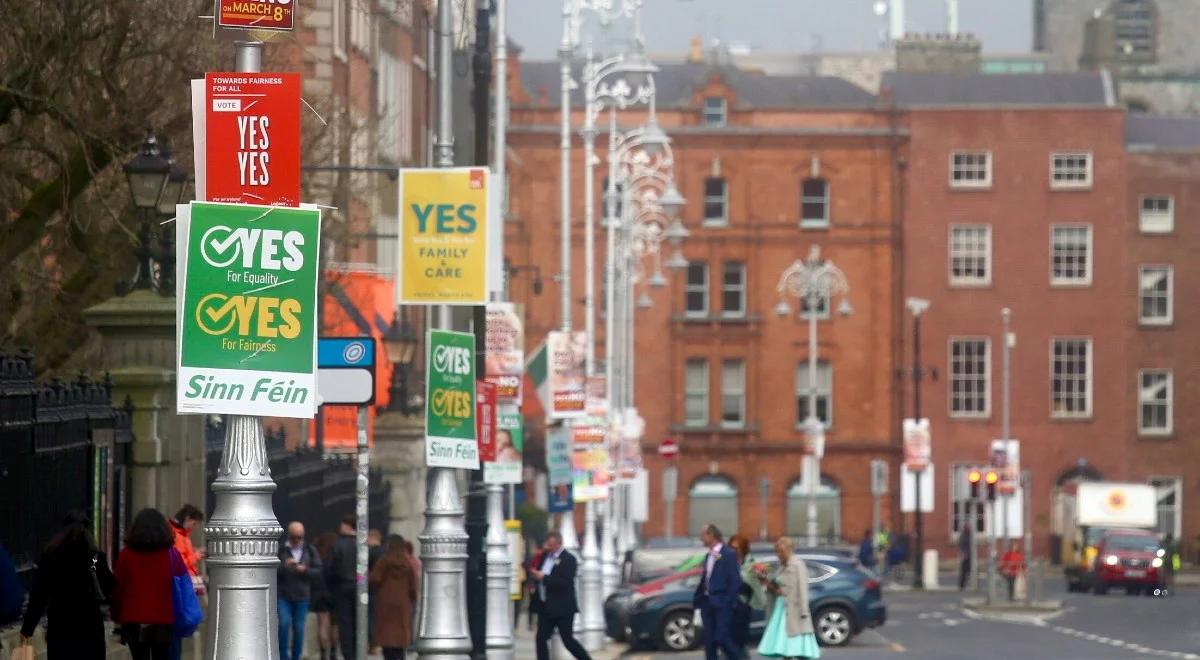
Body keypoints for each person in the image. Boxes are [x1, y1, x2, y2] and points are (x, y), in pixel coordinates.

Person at [19, 510, 116, 660]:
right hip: (89, 626)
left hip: (60, 625)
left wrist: (27, 628)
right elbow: (110, 587)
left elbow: (39, 595)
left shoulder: (51, 556)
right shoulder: (94, 558)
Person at [113, 508, 179, 660]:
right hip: (163, 619)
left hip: (133, 619)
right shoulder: (171, 555)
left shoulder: (126, 555)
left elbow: (117, 589)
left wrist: (116, 616)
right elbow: (179, 586)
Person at [756, 537, 821, 659]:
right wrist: (765, 581)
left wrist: (804, 611)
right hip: (781, 607)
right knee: (783, 646)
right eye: (777, 551)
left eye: (781, 551)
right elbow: (778, 589)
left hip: (794, 610)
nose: (778, 554)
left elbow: (802, 589)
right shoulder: (781, 567)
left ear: (790, 550)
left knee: (795, 645)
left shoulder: (798, 565)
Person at [530, 531, 591, 660]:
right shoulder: (545, 557)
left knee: (567, 640)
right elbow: (534, 565)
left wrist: (544, 578)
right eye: (548, 544)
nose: (549, 548)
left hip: (562, 608)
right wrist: (536, 573)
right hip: (546, 607)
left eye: (552, 545)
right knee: (541, 638)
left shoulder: (569, 559)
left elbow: (565, 582)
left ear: (559, 544)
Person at [692, 523, 743, 660]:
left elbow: (735, 581)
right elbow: (706, 579)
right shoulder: (708, 556)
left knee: (721, 638)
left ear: (711, 535)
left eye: (703, 535)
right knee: (709, 642)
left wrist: (728, 602)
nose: (701, 538)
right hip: (707, 604)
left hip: (722, 604)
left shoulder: (729, 554)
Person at [278, 522, 322, 660]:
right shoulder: (281, 550)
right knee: (284, 624)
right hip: (283, 595)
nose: (297, 540)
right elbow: (272, 570)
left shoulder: (310, 550)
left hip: (302, 595)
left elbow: (318, 570)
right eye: (293, 537)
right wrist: (285, 566)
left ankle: (296, 656)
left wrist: (305, 570)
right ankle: (283, 656)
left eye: (300, 537)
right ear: (289, 536)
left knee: (298, 628)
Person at [369, 535, 417, 660]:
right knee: (399, 640)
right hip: (403, 604)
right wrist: (411, 599)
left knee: (387, 639)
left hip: (385, 603)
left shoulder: (384, 561)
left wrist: (363, 577)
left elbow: (375, 578)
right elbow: (414, 586)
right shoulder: (408, 563)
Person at [168, 504, 206, 660]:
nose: (194, 527)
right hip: (181, 588)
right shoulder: (177, 536)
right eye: (194, 523)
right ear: (188, 519)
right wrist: (196, 556)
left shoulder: (183, 535)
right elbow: (179, 562)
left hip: (186, 586)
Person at [326, 514, 359, 660]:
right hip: (359, 586)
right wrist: (361, 580)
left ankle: (349, 655)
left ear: (347, 525)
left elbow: (330, 567)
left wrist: (331, 586)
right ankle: (359, 651)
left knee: (345, 623)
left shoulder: (338, 544)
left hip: (342, 586)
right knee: (358, 620)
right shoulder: (362, 544)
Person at [727, 534, 766, 657]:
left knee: (739, 641)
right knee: (728, 641)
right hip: (728, 606)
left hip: (744, 607)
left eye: (737, 548)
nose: (734, 551)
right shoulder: (727, 561)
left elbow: (764, 577)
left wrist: (762, 576)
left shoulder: (752, 563)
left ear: (743, 549)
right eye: (732, 548)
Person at [311, 532, 339, 660]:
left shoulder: (317, 556)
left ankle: (323, 654)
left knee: (322, 624)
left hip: (320, 593)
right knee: (334, 624)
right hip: (335, 593)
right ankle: (333, 652)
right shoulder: (335, 557)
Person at [523, 539, 544, 633]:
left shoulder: (542, 558)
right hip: (534, 585)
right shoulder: (533, 559)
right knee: (532, 606)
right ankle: (531, 623)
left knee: (537, 606)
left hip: (539, 585)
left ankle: (535, 623)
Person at [958, 526, 974, 591]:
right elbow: (961, 545)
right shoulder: (964, 536)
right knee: (964, 571)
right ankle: (961, 585)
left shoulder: (970, 535)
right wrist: (964, 553)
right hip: (966, 556)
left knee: (970, 571)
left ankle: (971, 584)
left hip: (970, 556)